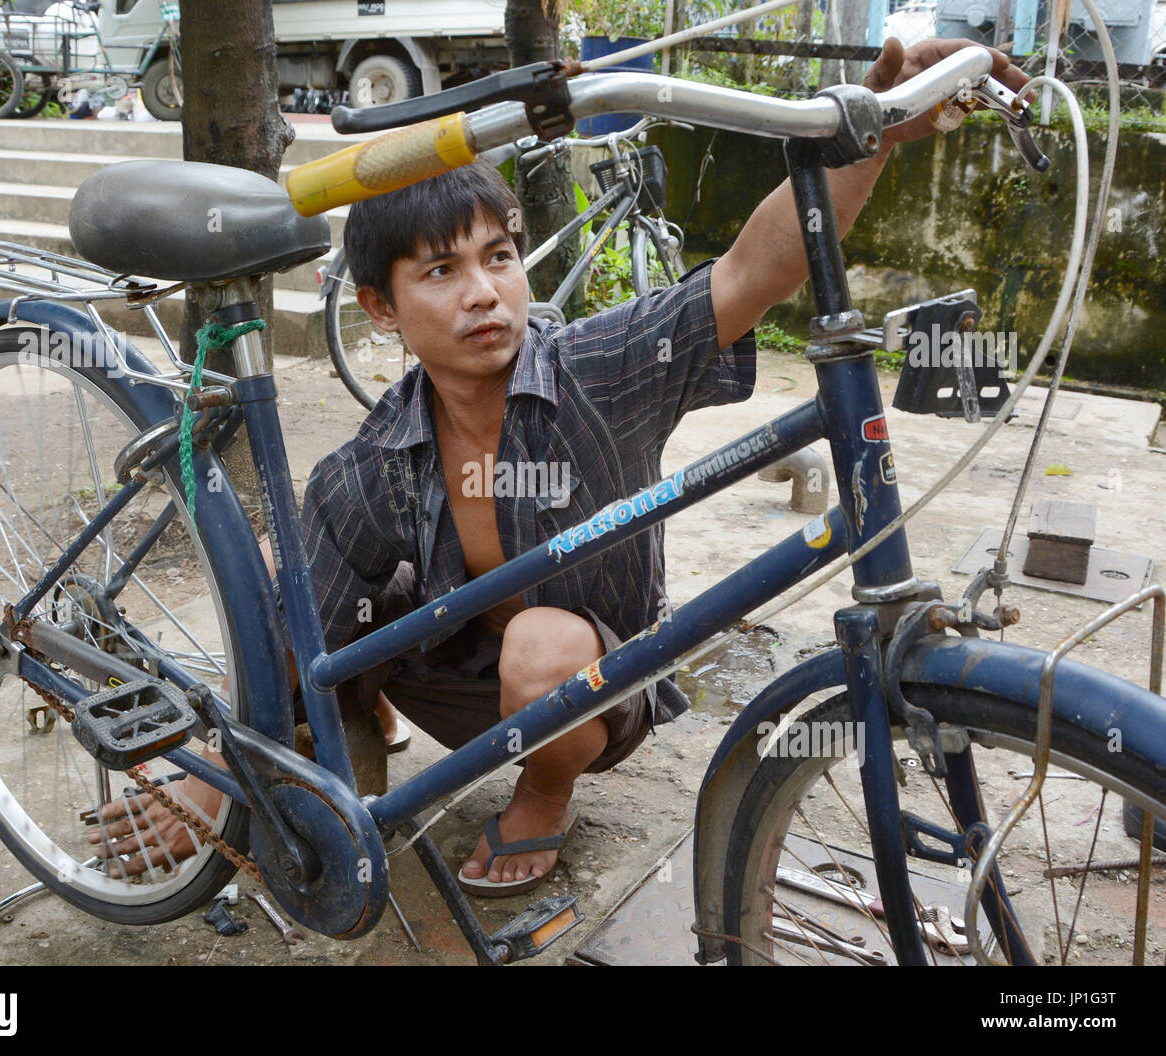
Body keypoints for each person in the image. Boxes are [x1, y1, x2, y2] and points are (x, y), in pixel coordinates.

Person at [90, 37, 1029, 898]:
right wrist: (215, 781)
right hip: (454, 682)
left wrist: (877, 126)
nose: (484, 292)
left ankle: (542, 795)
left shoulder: (598, 370)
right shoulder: (379, 457)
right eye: (441, 273)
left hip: (583, 694)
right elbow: (301, 614)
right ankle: (345, 714)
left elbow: (752, 273)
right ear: (381, 310)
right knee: (278, 568)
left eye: (498, 256)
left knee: (542, 642)